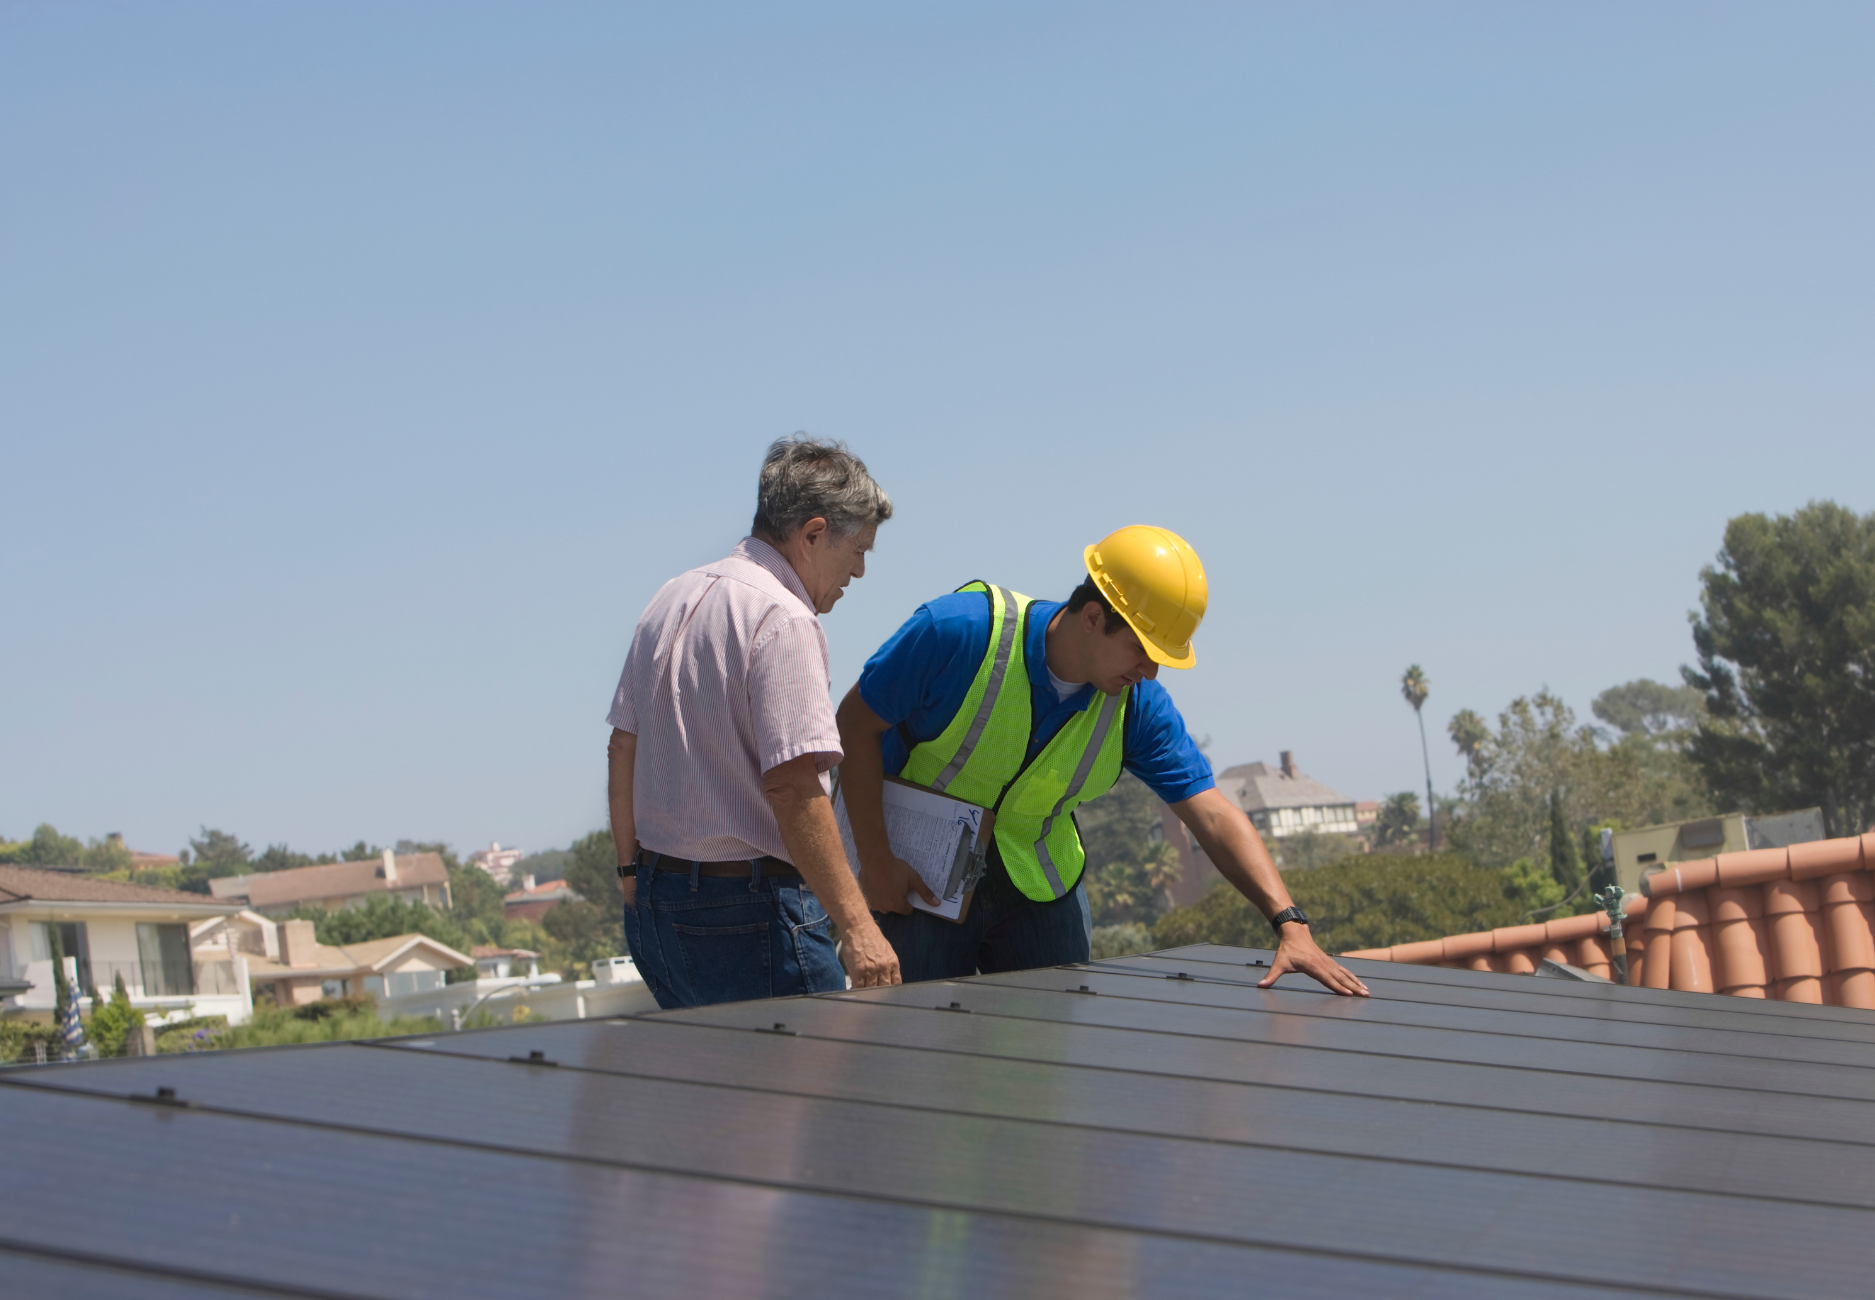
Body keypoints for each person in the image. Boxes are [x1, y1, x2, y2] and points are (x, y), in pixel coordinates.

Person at [835, 524, 1369, 996]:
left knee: (1045, 1071)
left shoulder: (1137, 705)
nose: (1152, 673)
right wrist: (877, 863)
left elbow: (1211, 813)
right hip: (918, 881)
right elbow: (855, 723)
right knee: (913, 1054)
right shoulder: (958, 632)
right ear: (1093, 616)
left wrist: (1290, 924)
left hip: (1038, 891)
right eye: (1144, 652)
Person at [606, 435, 901, 1008]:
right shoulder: (783, 618)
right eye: (858, 549)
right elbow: (793, 786)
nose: (861, 571)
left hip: (656, 907)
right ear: (814, 534)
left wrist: (629, 877)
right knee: (811, 1095)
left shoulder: (670, 597)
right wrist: (859, 929)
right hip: (752, 917)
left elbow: (623, 747)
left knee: (714, 1095)